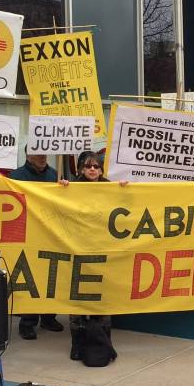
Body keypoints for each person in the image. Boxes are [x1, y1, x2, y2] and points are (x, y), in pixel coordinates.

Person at [58, 152, 126, 359]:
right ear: (80, 169)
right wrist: (58, 190)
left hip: (102, 250)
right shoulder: (71, 187)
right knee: (77, 300)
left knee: (101, 300)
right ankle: (77, 344)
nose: (93, 170)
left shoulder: (111, 188)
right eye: (88, 166)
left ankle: (103, 342)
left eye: (97, 166)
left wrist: (126, 190)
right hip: (78, 250)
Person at [8, 149, 63, 340]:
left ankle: (49, 317)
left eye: (44, 153)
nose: (42, 156)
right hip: (28, 234)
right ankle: (28, 322)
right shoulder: (16, 176)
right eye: (37, 153)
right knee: (30, 279)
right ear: (27, 155)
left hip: (50, 234)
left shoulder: (55, 175)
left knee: (51, 276)